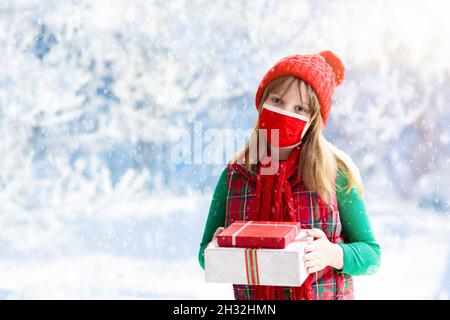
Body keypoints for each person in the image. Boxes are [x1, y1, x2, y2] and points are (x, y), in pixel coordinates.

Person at [198, 50, 381, 300]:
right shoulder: (235, 177)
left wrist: (332, 254)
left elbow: (371, 256)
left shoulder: (334, 175)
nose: (285, 113)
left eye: (300, 108)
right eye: (277, 100)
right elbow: (204, 257)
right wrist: (217, 248)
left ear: (313, 121)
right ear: (261, 102)